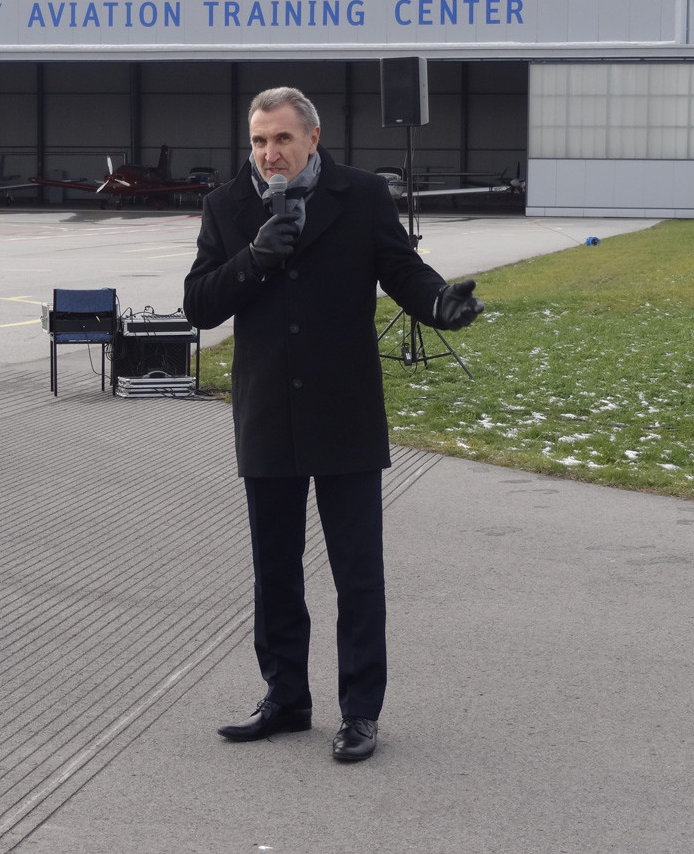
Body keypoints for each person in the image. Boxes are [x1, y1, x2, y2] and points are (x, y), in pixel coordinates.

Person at [182, 86, 483, 762]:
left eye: (282, 139)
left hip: (344, 409)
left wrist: (440, 302)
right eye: (259, 141)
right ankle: (286, 697)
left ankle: (360, 711)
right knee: (275, 572)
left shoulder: (361, 195)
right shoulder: (226, 206)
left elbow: (402, 270)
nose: (269, 154)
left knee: (357, 573)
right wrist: (254, 257)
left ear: (313, 138)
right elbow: (199, 304)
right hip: (268, 413)